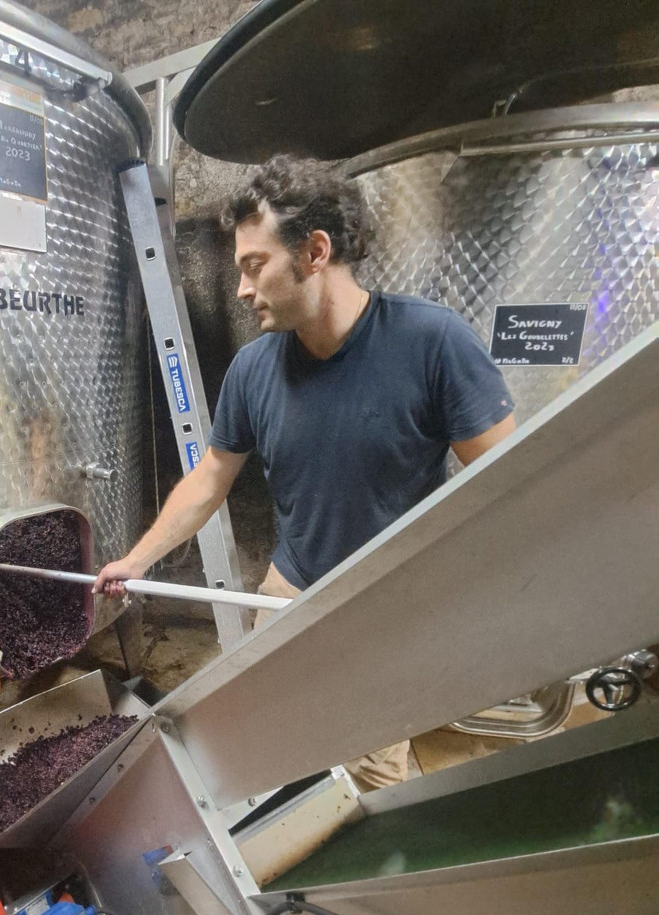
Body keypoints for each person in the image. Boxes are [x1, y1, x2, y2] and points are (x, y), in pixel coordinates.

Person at [93, 155, 516, 791]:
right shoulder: (254, 369)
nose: (241, 289)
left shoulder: (433, 343)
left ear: (315, 251)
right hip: (288, 594)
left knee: (372, 780)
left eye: (254, 266)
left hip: (387, 605)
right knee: (275, 746)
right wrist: (138, 558)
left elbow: (503, 484)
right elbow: (211, 477)